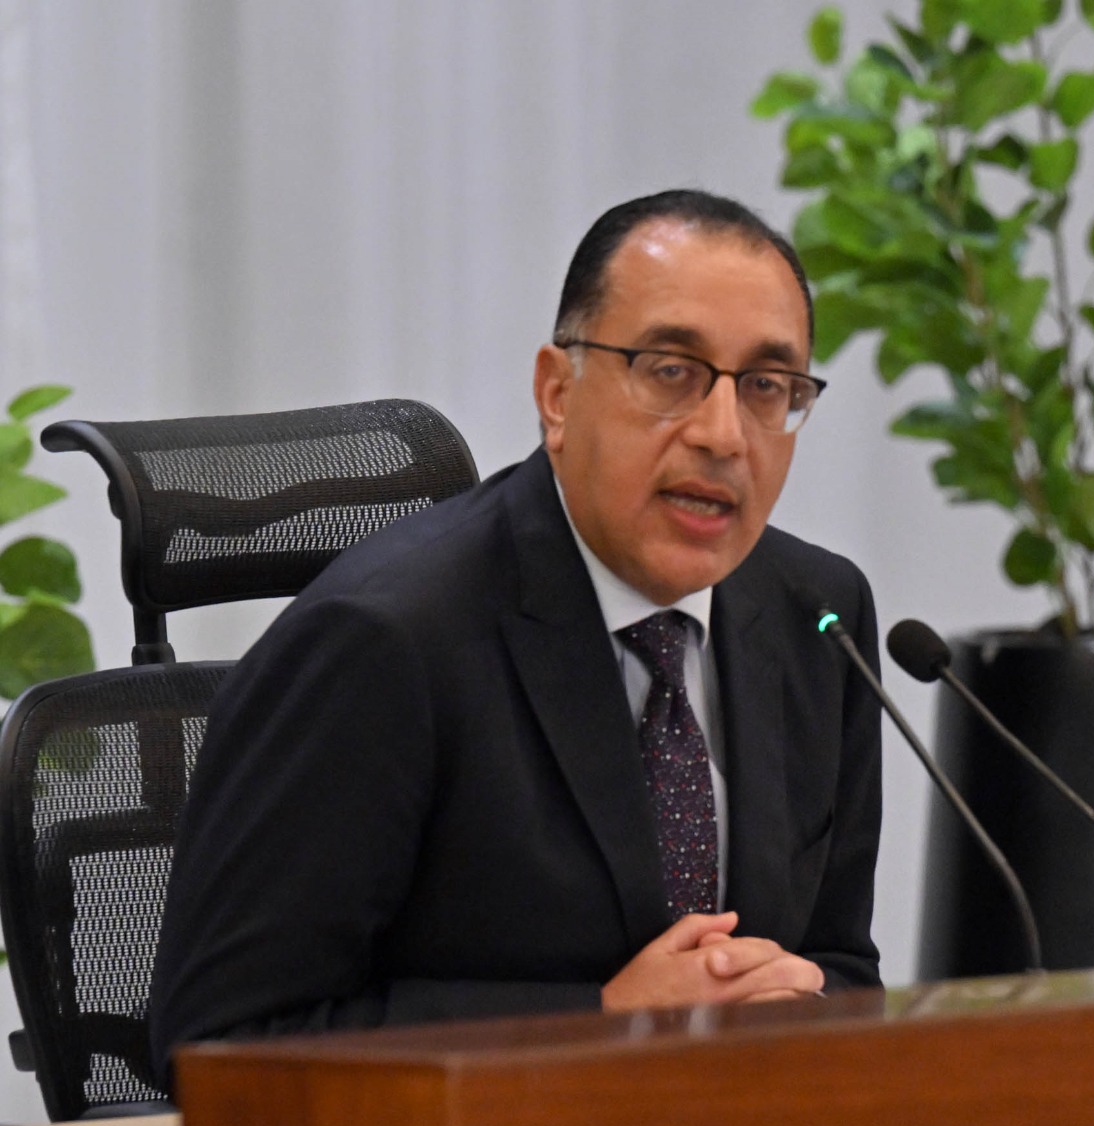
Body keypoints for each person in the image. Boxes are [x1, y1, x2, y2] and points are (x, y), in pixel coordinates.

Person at [148, 189, 883, 1078]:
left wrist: (802, 1004)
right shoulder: (383, 643)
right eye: (670, 371)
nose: (724, 434)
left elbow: (840, 961)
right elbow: (220, 1042)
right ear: (557, 393)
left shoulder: (819, 617)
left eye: (767, 387)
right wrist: (599, 1023)